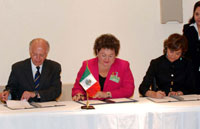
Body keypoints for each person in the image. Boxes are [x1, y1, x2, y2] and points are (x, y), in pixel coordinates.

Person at [72, 34, 135, 101]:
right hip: (92, 107)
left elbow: (129, 90)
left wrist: (107, 94)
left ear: (116, 54)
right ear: (97, 52)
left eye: (110, 56)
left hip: (115, 108)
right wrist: (78, 94)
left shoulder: (123, 66)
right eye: (103, 55)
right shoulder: (87, 66)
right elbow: (78, 88)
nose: (107, 59)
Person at [0, 38, 62, 102]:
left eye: (41, 55)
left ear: (46, 54)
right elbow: (12, 89)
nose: (38, 58)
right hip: (24, 108)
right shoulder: (18, 68)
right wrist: (8, 95)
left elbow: (56, 91)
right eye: (35, 54)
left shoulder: (54, 67)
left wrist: (35, 94)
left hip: (47, 108)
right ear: (30, 52)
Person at [139, 33, 195, 98]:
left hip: (182, 102)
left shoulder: (187, 63)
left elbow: (193, 88)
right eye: (171, 51)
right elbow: (142, 88)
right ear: (166, 48)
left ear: (182, 52)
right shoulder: (156, 63)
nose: (173, 56)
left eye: (178, 53)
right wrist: (154, 94)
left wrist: (180, 93)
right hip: (162, 101)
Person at [183, 1, 200, 93]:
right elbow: (185, 49)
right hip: (192, 69)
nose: (199, 17)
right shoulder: (188, 28)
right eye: (197, 14)